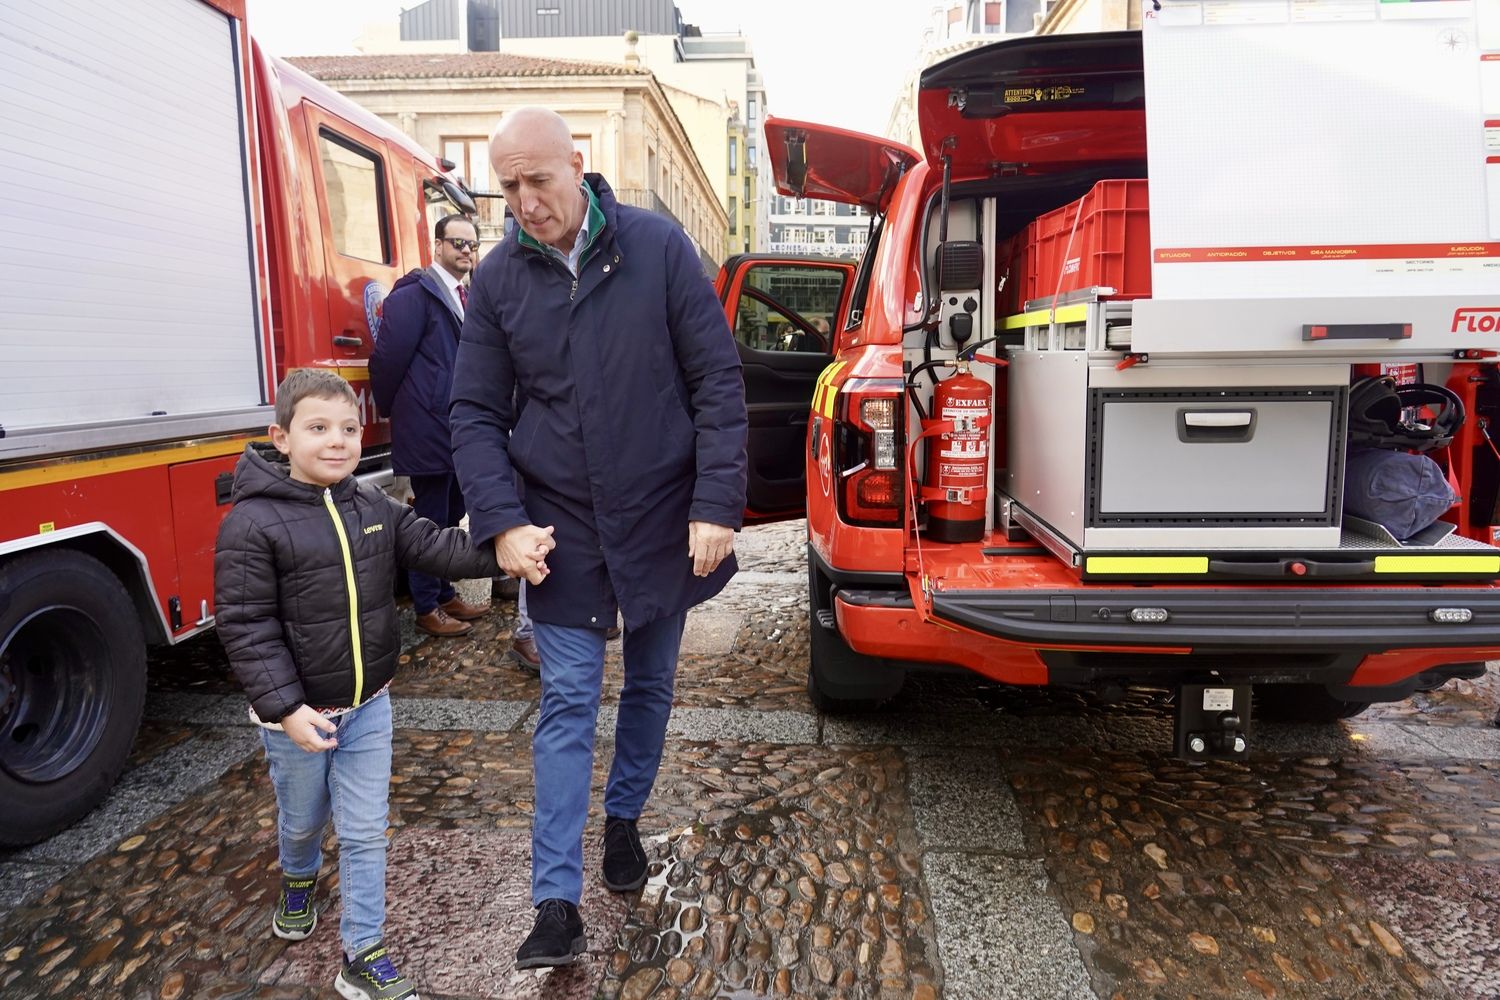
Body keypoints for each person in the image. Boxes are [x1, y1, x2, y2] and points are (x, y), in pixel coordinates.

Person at [449, 107, 747, 969]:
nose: (523, 201)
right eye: (506, 186)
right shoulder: (500, 278)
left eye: (537, 180)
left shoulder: (656, 250)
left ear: (577, 166)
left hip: (661, 515)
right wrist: (502, 521)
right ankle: (555, 901)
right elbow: (473, 411)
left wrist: (717, 503)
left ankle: (622, 819)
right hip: (560, 526)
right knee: (568, 704)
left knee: (650, 685)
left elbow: (717, 382)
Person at [214, 369, 500, 1000]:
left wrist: (504, 548)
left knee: (367, 827)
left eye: (349, 428)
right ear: (281, 437)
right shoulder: (252, 523)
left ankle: (362, 951)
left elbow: (438, 545)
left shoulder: (372, 504)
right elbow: (246, 625)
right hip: (296, 716)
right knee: (302, 819)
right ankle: (298, 875)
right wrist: (286, 709)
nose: (338, 442)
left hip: (369, 705)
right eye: (318, 428)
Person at [370, 214, 491, 637]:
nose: (466, 251)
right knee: (429, 519)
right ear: (436, 245)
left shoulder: (466, 295)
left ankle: (443, 592)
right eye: (458, 243)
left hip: (456, 426)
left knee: (452, 513)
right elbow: (387, 361)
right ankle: (426, 605)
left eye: (472, 246)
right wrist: (394, 410)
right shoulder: (414, 295)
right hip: (426, 425)